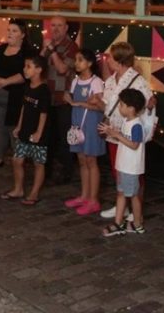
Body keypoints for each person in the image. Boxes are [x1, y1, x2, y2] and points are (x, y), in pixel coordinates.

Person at [100, 41, 155, 220]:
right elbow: (108, 105)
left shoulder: (138, 82)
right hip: (113, 132)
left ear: (120, 61)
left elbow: (146, 106)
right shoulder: (110, 80)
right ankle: (121, 206)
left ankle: (135, 210)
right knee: (119, 170)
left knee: (133, 172)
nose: (107, 60)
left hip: (128, 134)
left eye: (110, 57)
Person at [1, 54, 50, 205]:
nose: (25, 69)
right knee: (17, 160)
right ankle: (18, 189)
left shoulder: (43, 90)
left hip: (38, 133)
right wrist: (19, 126)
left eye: (28, 66)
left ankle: (34, 193)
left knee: (38, 163)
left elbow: (43, 113)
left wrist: (39, 132)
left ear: (39, 70)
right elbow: (24, 107)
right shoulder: (28, 87)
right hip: (25, 130)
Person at [63, 48, 105, 215]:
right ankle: (84, 195)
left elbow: (101, 107)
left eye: (80, 60)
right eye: (76, 60)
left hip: (91, 123)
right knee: (81, 159)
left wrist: (79, 104)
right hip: (78, 123)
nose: (77, 63)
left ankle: (93, 199)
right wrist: (69, 99)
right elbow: (73, 100)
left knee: (91, 161)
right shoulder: (75, 81)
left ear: (89, 63)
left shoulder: (96, 82)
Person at [100, 88, 147, 236]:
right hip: (123, 165)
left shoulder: (137, 125)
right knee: (121, 193)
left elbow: (134, 144)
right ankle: (118, 222)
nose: (119, 107)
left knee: (133, 196)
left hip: (131, 167)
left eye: (121, 104)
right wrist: (111, 133)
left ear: (131, 108)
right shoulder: (127, 122)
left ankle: (138, 223)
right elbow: (124, 140)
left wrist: (116, 135)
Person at [0, 19, 28, 170]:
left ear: (22, 35)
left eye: (14, 31)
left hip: (15, 98)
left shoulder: (27, 52)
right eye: (9, 30)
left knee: (14, 129)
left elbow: (25, 74)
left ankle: (18, 159)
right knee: (0, 128)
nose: (10, 33)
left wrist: (6, 81)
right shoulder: (1, 49)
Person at [40, 16, 79, 184]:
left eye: (59, 26)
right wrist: (44, 50)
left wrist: (52, 51)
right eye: (53, 25)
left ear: (66, 28)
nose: (55, 29)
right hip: (47, 96)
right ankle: (45, 172)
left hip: (63, 98)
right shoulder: (49, 45)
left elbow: (63, 69)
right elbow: (39, 65)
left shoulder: (72, 46)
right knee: (47, 136)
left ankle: (66, 173)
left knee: (64, 138)